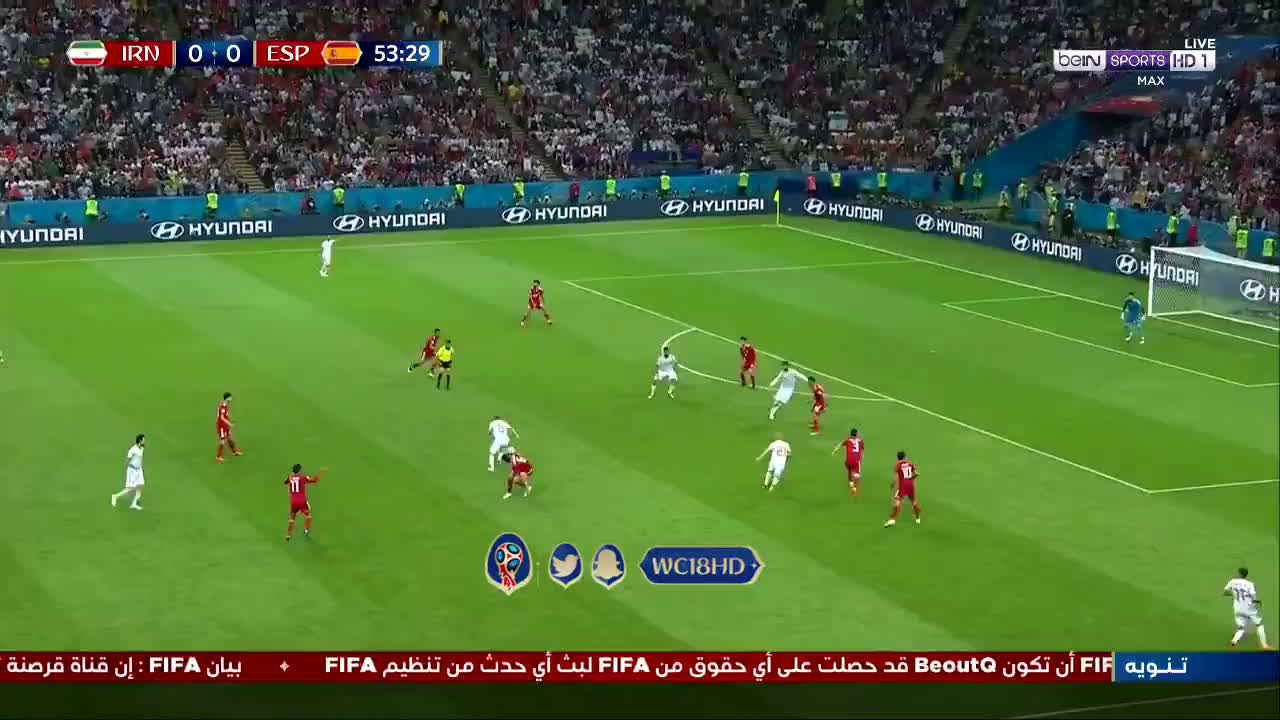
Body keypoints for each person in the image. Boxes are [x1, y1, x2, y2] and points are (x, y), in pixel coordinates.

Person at [1224, 568, 1272, 649]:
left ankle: (1234, 641)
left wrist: (1234, 595)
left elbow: (1225, 592)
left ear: (1238, 573)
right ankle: (1265, 645)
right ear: (1246, 575)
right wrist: (1258, 602)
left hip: (1237, 608)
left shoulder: (1232, 581)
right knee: (1259, 624)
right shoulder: (1250, 584)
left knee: (1241, 627)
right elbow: (1254, 597)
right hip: (1248, 608)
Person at [285, 464, 326, 541]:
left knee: (292, 518)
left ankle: (289, 534)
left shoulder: (290, 476)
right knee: (308, 515)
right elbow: (314, 480)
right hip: (302, 500)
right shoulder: (303, 477)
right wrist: (320, 472)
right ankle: (306, 530)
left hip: (293, 501)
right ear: (299, 470)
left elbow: (285, 482)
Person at [884, 451, 921, 527]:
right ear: (904, 457)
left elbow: (896, 478)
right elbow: (917, 474)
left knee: (896, 502)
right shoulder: (910, 463)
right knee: (914, 502)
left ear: (897, 458)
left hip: (902, 486)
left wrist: (893, 484)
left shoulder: (898, 465)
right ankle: (918, 518)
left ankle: (892, 520)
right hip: (910, 485)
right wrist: (911, 478)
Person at [111, 434, 146, 511]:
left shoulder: (142, 447)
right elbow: (128, 459)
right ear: (140, 440)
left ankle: (134, 504)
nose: (145, 441)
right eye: (143, 439)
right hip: (132, 471)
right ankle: (115, 496)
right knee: (130, 488)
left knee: (140, 486)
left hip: (139, 470)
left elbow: (140, 456)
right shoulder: (133, 450)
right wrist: (130, 468)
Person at [831, 428, 864, 495]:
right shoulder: (860, 441)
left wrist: (834, 451)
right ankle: (854, 488)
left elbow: (839, 445)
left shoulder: (847, 440)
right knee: (857, 475)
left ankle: (850, 483)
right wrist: (860, 459)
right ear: (857, 434)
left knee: (849, 469)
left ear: (850, 434)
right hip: (856, 461)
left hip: (847, 461)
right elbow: (861, 451)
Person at [215, 392, 242, 462]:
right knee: (222, 441)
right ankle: (218, 457)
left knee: (229, 438)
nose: (231, 398)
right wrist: (230, 424)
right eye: (230, 397)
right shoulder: (223, 406)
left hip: (225, 425)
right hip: (221, 425)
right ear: (227, 398)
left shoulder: (226, 405)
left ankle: (234, 452)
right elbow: (222, 417)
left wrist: (227, 425)